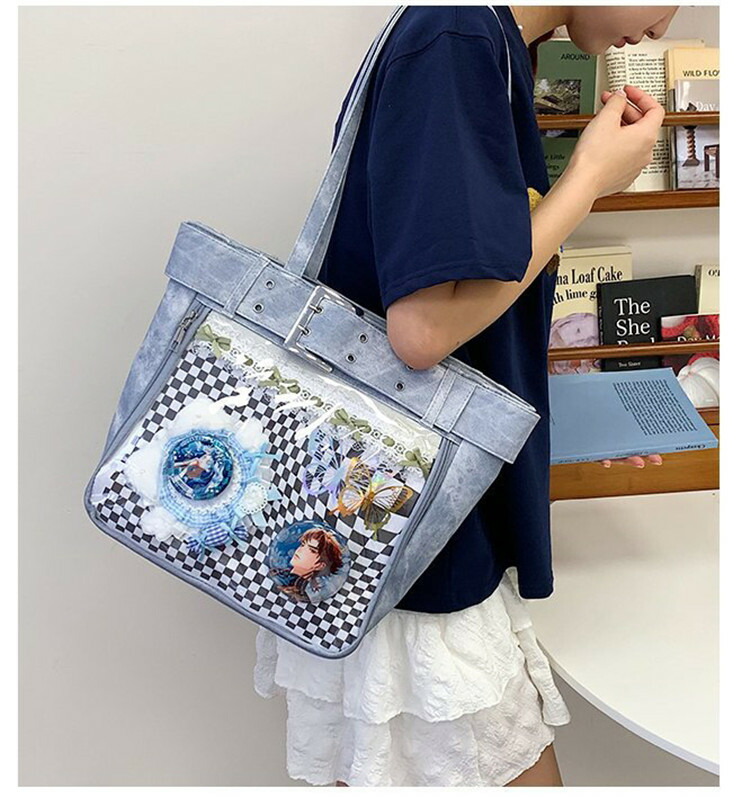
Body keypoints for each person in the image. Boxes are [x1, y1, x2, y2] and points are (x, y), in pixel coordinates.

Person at [254, 5, 677, 787]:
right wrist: (587, 180)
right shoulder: (456, 38)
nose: (663, 28)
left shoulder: (484, 42)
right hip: (413, 545)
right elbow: (421, 333)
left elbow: (464, 307)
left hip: (394, 517)